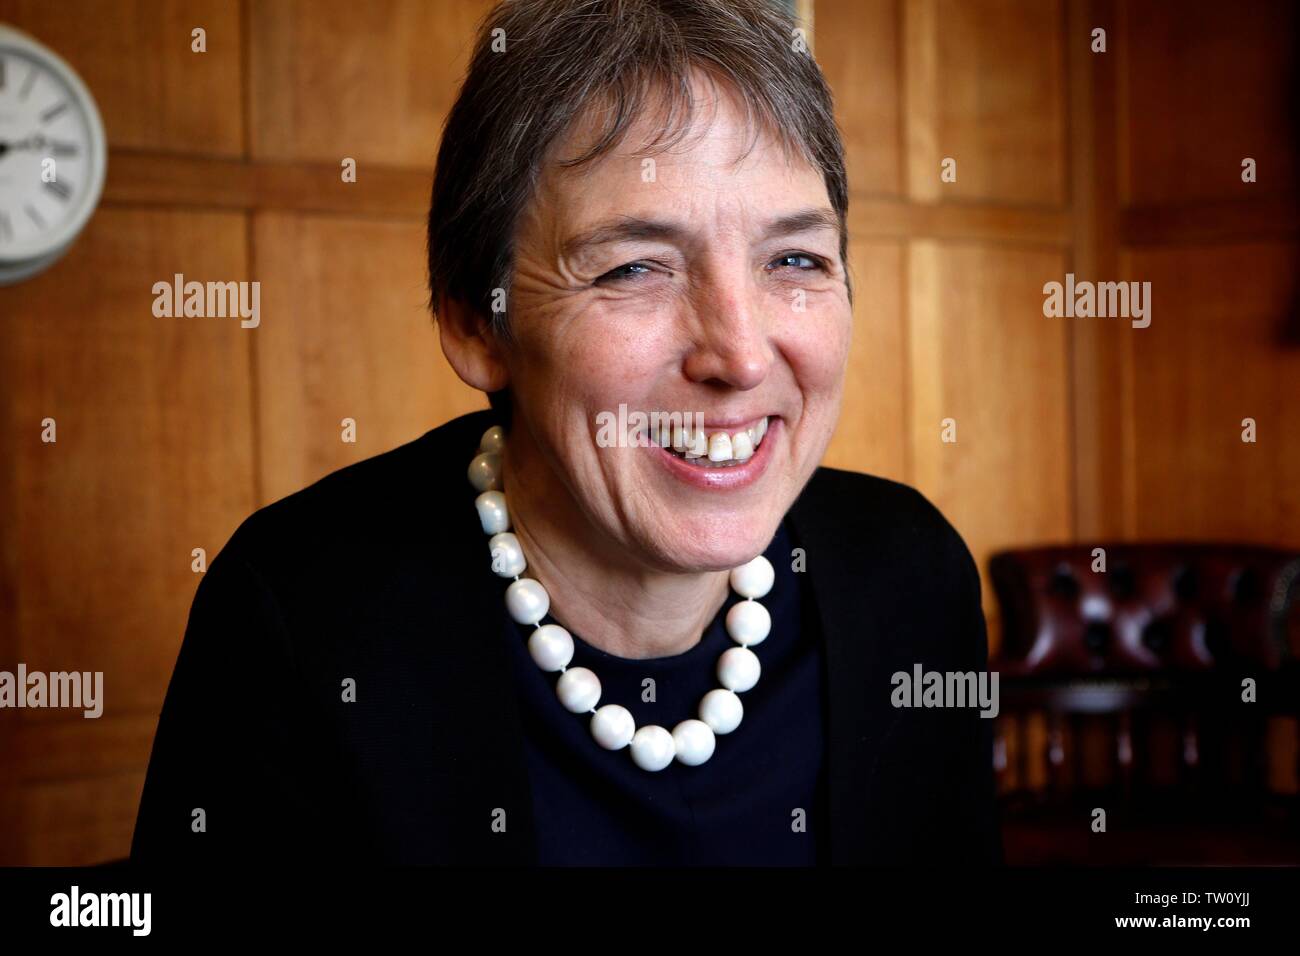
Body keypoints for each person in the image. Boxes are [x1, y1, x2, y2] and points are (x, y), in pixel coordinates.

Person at [132, 0, 1001, 865]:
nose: (738, 356)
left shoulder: (910, 578)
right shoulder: (298, 611)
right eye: (633, 268)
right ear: (477, 323)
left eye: (795, 259)